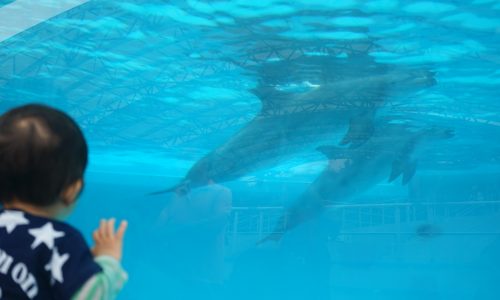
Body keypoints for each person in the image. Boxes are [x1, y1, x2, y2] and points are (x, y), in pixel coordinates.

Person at [0, 104, 127, 299]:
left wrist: (78, 267)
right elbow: (93, 294)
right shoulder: (62, 242)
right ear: (71, 190)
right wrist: (108, 260)